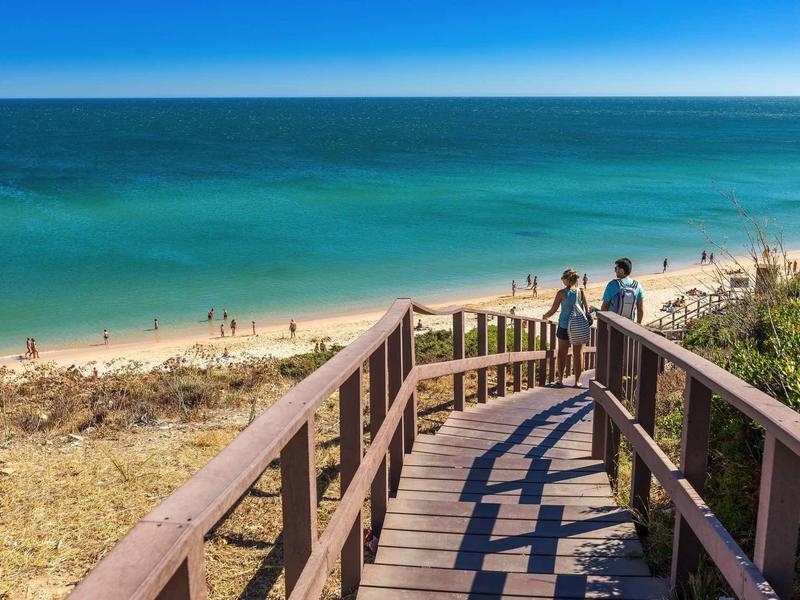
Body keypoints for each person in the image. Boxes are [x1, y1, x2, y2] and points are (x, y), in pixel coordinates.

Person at [542, 268, 590, 387]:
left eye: (563, 278)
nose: (562, 280)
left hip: (564, 326)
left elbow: (553, 310)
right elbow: (587, 309)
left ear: (568, 280)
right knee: (578, 354)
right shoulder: (581, 292)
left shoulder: (562, 293)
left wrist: (545, 316)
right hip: (578, 326)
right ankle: (577, 381)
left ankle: (560, 380)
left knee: (562, 353)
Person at [601, 258, 645, 323]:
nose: (615, 271)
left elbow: (605, 306)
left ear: (621, 270)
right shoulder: (638, 286)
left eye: (616, 269)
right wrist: (638, 324)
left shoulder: (612, 284)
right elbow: (640, 309)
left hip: (614, 323)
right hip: (629, 324)